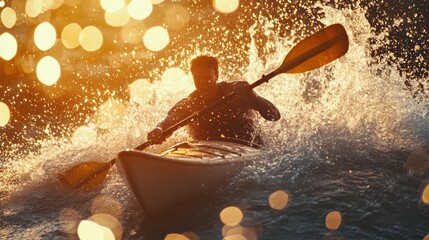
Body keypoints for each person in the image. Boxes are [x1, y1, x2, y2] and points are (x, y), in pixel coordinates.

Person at [147, 55, 280, 146]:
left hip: (248, 146)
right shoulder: (189, 103)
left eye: (207, 77)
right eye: (198, 78)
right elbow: (168, 121)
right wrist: (158, 129)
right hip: (208, 154)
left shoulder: (235, 91)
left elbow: (274, 115)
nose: (203, 82)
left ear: (216, 75)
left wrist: (252, 97)